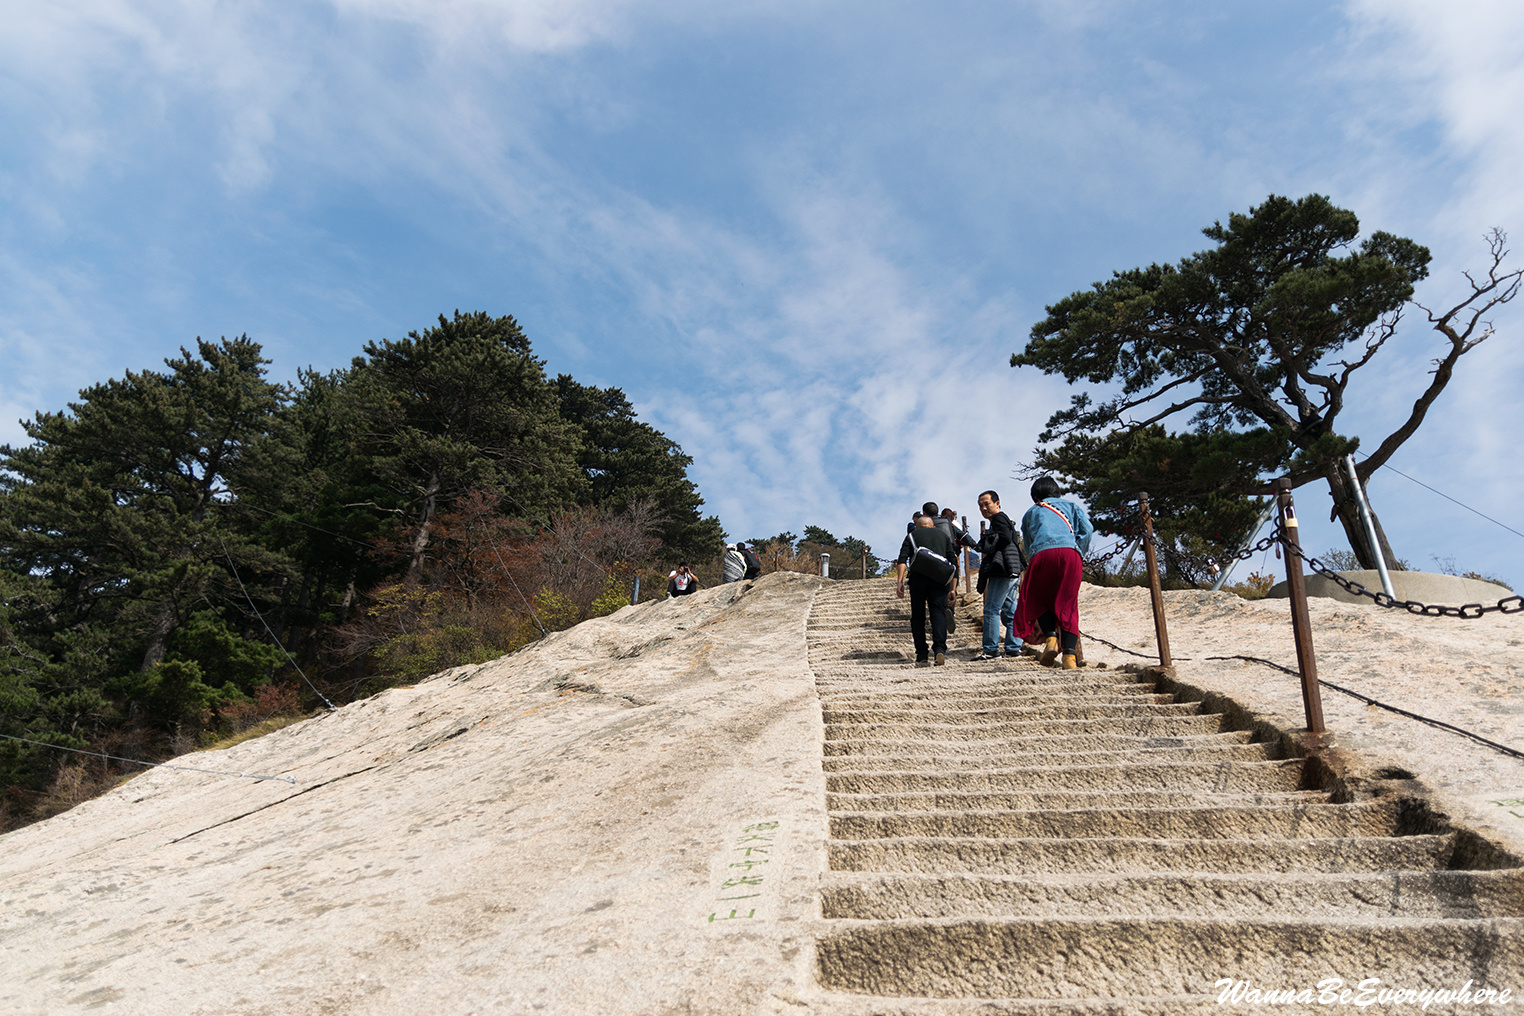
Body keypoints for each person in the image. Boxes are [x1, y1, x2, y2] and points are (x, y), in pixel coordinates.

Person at [1013, 476, 1093, 668]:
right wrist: (1078, 550)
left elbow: (1029, 541)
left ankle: (1051, 638)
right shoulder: (1071, 506)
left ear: (1035, 496)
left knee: (1039, 599)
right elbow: (1088, 530)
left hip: (1042, 555)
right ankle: (1069, 657)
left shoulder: (1032, 512)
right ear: (1057, 492)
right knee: (1069, 605)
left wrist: (1034, 555)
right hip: (1070, 554)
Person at [895, 513, 958, 666]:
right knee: (938, 614)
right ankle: (939, 649)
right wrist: (953, 588)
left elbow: (902, 559)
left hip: (918, 580)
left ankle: (922, 653)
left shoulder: (912, 536)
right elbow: (953, 562)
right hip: (940, 580)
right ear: (933, 526)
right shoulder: (943, 536)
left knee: (918, 616)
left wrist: (900, 582)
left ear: (916, 527)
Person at [969, 489, 1024, 660]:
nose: (983, 508)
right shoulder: (1002, 520)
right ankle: (1013, 648)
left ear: (997, 503)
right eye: (980, 506)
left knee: (991, 608)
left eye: (987, 504)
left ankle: (991, 649)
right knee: (1010, 610)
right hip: (1013, 569)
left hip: (1003, 569)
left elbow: (1005, 538)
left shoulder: (999, 518)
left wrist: (988, 544)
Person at [923, 502, 968, 636]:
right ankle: (950, 611)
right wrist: (976, 545)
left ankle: (937, 621)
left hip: (931, 561)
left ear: (924, 513)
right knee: (949, 588)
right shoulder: (948, 523)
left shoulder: (924, 524)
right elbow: (961, 535)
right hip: (948, 559)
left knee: (933, 592)